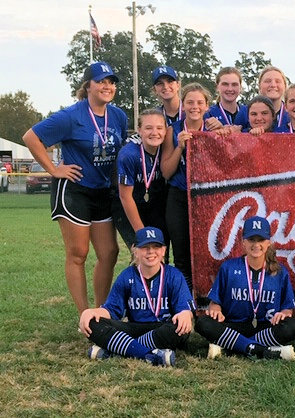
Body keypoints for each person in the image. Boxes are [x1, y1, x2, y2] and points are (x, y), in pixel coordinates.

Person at [22, 61, 127, 315]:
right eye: (101, 81)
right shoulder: (70, 115)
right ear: (87, 86)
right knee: (78, 252)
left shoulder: (119, 116)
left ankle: (101, 312)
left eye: (111, 82)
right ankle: (84, 315)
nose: (107, 86)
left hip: (103, 190)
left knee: (109, 253)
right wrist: (53, 169)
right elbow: (30, 137)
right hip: (74, 189)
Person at [79, 227, 194, 367]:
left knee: (179, 329)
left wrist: (186, 314)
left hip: (162, 328)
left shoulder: (174, 275)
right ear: (135, 250)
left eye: (156, 246)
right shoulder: (127, 276)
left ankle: (118, 348)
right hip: (133, 327)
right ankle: (150, 356)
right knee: (93, 324)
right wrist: (90, 312)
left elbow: (184, 309)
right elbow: (111, 310)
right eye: (145, 247)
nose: (151, 251)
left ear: (164, 250)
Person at [195, 216, 295, 360]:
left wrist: (283, 313)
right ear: (243, 242)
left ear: (268, 242)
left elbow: (288, 308)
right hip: (234, 325)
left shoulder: (280, 272)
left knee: (293, 326)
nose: (256, 244)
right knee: (203, 322)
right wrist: (216, 310)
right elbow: (215, 303)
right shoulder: (229, 267)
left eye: (261, 240)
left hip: (266, 326)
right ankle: (263, 350)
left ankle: (234, 346)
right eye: (252, 240)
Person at [161, 82, 213, 293]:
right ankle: (185, 302)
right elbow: (166, 171)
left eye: (200, 102)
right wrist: (180, 147)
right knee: (181, 253)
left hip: (206, 198)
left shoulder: (212, 129)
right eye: (190, 102)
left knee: (205, 252)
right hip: (179, 195)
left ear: (207, 106)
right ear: (182, 105)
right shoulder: (172, 130)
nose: (195, 106)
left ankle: (204, 299)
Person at [113, 108, 168, 251]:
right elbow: (125, 197)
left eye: (159, 128)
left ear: (166, 130)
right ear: (139, 130)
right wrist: (141, 233)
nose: (154, 132)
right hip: (127, 206)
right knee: (141, 252)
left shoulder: (165, 149)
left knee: (159, 252)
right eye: (148, 128)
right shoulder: (129, 155)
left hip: (153, 207)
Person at [204, 67, 249, 132]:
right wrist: (218, 130)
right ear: (217, 87)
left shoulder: (248, 112)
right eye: (225, 84)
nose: (230, 89)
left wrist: (242, 131)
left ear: (240, 87)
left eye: (234, 84)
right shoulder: (208, 113)